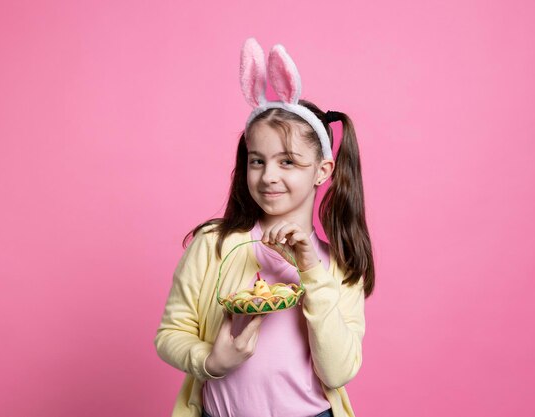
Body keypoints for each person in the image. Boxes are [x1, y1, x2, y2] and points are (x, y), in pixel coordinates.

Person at [154, 37, 375, 417]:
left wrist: (310, 269)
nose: (268, 175)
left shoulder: (340, 265)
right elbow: (170, 334)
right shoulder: (214, 245)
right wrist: (210, 362)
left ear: (322, 171)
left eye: (287, 161)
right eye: (258, 161)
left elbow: (338, 371)